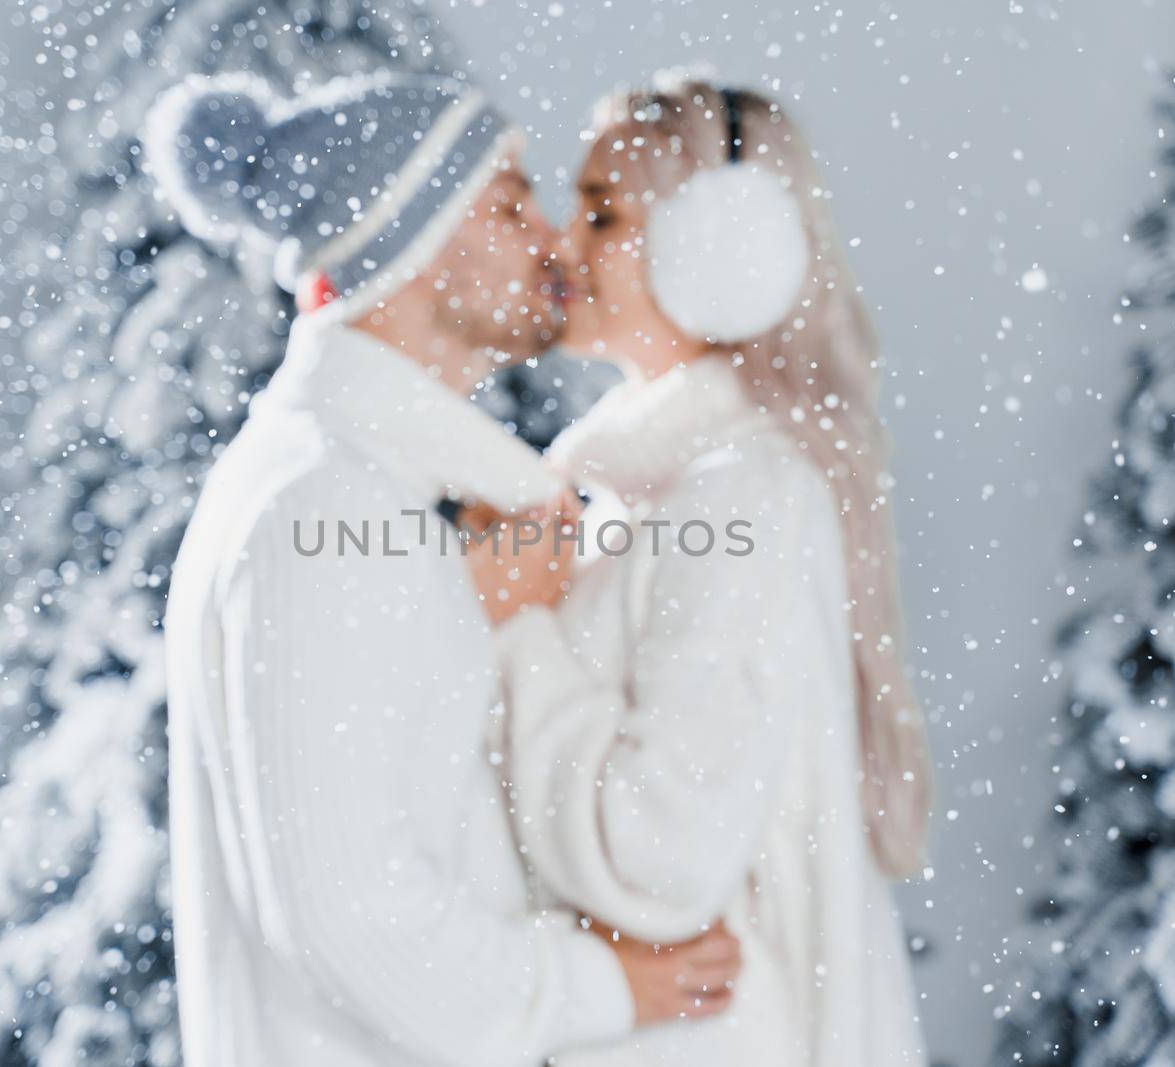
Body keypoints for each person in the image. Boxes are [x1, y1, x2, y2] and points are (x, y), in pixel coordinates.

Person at [144, 71, 740, 1067]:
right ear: (407, 248)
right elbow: (353, 918)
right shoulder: (321, 507)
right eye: (509, 205)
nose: (552, 241)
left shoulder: (359, 492)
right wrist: (603, 983)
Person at [481, 72, 935, 1065]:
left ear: (717, 251)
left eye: (601, 213)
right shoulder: (653, 493)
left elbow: (660, 848)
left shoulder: (738, 497)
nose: (563, 244)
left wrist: (518, 633)